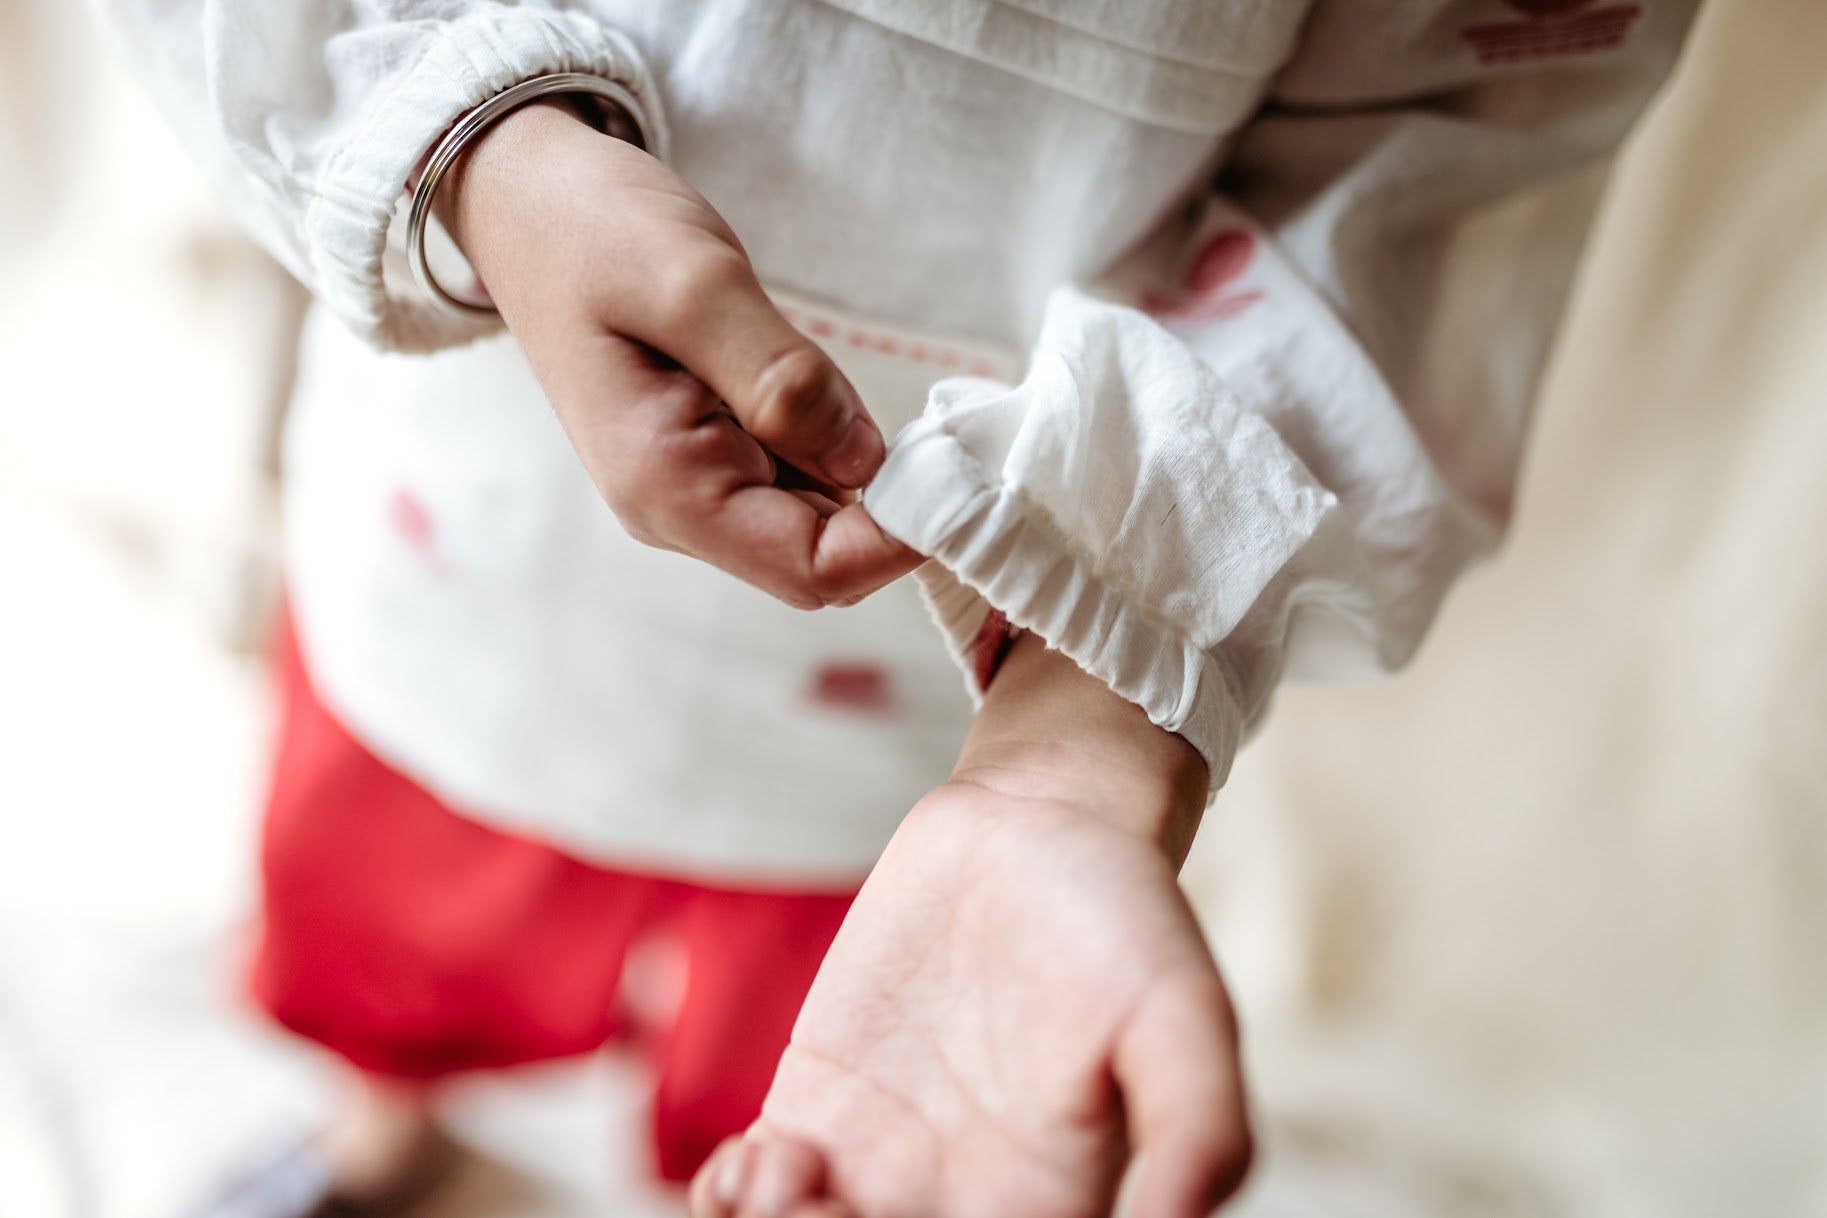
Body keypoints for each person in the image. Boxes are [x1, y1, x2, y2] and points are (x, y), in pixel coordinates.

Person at [92, 2, 1698, 1215]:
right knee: (399, 905)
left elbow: (1432, 164)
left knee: (806, 1074)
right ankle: (385, 1121)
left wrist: (1070, 759)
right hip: (466, 535)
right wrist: (476, 152)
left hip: (948, 702)